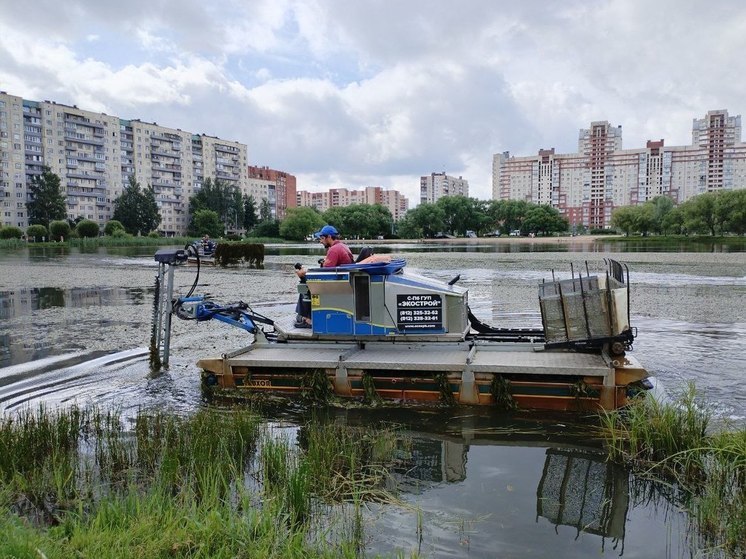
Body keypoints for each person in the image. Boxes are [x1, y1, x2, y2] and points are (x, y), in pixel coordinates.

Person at [294, 224, 353, 328]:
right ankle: (307, 316)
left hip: (336, 284)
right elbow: (329, 266)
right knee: (306, 279)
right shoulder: (343, 246)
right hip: (343, 281)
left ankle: (308, 320)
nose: (320, 241)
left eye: (322, 238)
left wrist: (304, 273)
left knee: (304, 285)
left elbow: (325, 273)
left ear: (329, 237)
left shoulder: (334, 250)